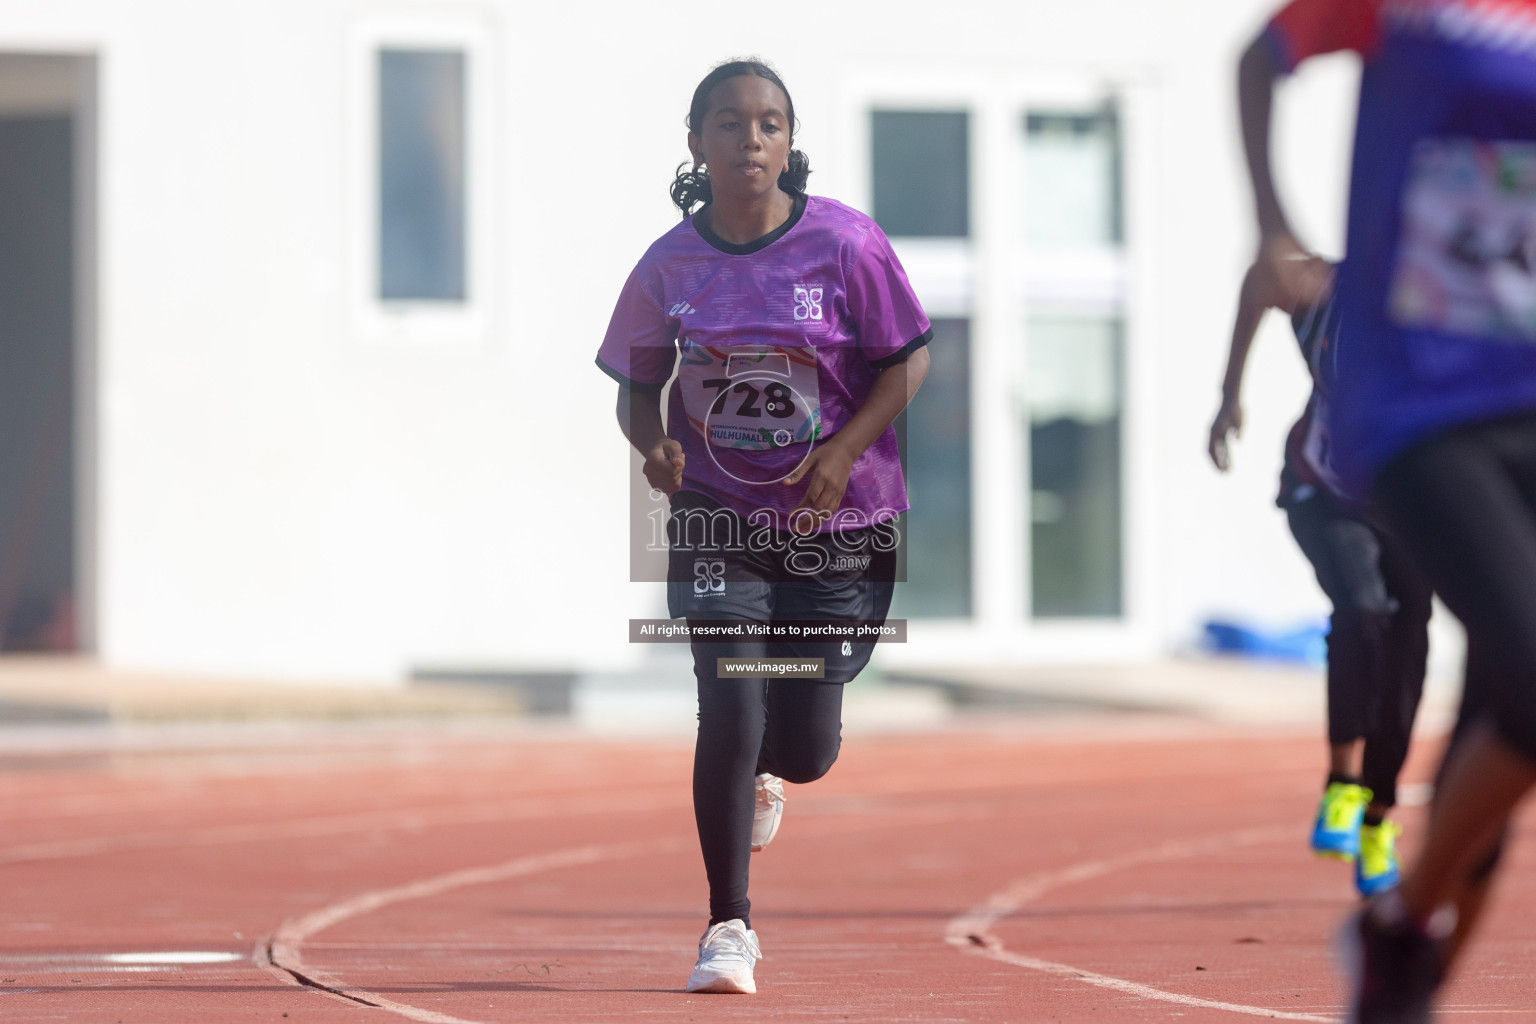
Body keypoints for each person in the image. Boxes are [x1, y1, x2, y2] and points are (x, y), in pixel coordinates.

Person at [595, 58, 930, 995]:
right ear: (697, 141)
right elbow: (637, 387)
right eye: (732, 123)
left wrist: (840, 452)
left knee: (807, 746)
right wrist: (654, 448)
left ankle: (775, 769)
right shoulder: (670, 265)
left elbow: (908, 364)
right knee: (730, 699)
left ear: (790, 141)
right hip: (717, 514)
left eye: (771, 123)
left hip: (839, 516)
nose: (753, 139)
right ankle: (728, 926)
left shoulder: (847, 246)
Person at [1240, 0, 1536, 1018]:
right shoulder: (1403, 8)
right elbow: (1261, 55)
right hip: (1419, 403)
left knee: (1506, 709)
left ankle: (1403, 964)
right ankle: (1399, 921)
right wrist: (1273, 225)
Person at [1211, 261, 1433, 899]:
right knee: (1363, 610)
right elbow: (1258, 279)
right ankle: (1342, 781)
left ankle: (1379, 817)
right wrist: (1230, 395)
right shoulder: (1322, 290)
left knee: (1408, 640)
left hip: (1414, 504)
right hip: (1324, 493)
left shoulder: (1442, 302)